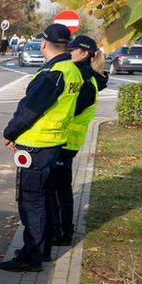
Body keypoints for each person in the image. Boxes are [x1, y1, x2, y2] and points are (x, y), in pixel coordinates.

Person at [0, 23, 84, 272]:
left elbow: (30, 110)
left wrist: (10, 132)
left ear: (44, 43)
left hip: (37, 146)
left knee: (31, 203)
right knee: (45, 200)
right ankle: (42, 249)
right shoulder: (72, 70)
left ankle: (32, 256)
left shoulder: (53, 73)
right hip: (54, 143)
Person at [51, 35, 107, 247]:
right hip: (66, 141)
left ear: (83, 53)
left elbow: (70, 110)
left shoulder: (84, 80)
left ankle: (61, 233)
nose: (68, 53)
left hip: (63, 141)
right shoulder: (85, 76)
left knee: (58, 191)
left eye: (72, 50)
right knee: (61, 189)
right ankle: (62, 231)